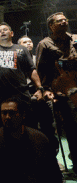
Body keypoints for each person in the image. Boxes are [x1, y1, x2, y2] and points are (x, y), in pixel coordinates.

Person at [0, 4, 43, 130]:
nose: (2, 32)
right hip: (0, 98)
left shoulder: (22, 49)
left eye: (5, 30)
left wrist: (40, 88)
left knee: (27, 128)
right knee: (2, 131)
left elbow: (31, 70)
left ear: (11, 33)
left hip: (21, 95)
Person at [0, 98, 63, 183]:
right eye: (4, 113)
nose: (7, 117)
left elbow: (54, 174)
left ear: (23, 115)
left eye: (12, 113)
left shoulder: (40, 139)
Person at [36, 11, 77, 173]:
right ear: (51, 26)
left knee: (74, 128)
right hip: (54, 92)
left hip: (74, 90)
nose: (63, 22)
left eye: (65, 19)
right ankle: (53, 164)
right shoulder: (44, 44)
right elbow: (40, 71)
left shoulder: (74, 39)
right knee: (52, 129)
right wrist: (44, 89)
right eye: (59, 21)